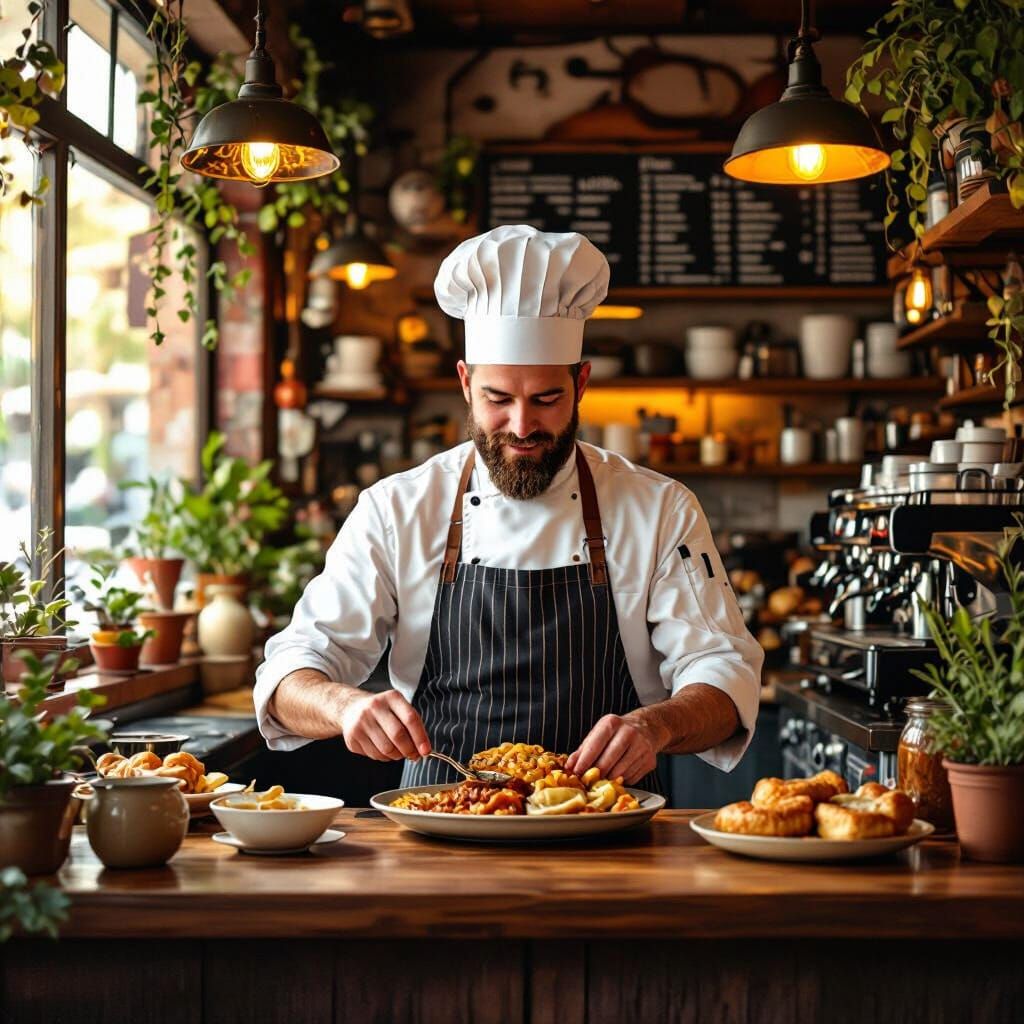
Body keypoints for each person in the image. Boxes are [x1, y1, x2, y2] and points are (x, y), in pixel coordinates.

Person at [254, 224, 763, 789]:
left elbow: (725, 673)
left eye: (547, 399)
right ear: (466, 384)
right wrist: (344, 706)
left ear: (582, 383)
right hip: (438, 820)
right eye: (498, 399)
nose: (522, 426)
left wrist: (658, 725)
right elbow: (290, 672)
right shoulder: (398, 508)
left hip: (607, 827)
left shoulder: (659, 508)